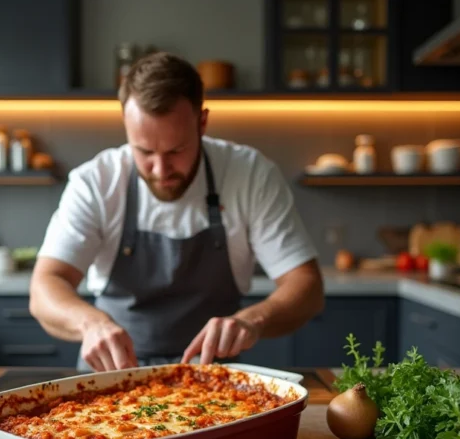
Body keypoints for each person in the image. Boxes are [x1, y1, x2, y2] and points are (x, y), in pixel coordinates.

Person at [30, 51, 324, 372]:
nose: (160, 169)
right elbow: (46, 284)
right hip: (110, 376)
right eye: (144, 151)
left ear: (202, 122)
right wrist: (89, 324)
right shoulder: (95, 182)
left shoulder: (250, 174)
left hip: (214, 377)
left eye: (176, 150)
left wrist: (250, 320)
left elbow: (306, 285)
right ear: (126, 126)